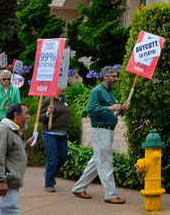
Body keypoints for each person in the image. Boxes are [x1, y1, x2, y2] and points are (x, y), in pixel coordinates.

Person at [71, 66, 129, 204]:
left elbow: (112, 112)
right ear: (105, 76)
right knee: (105, 163)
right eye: (113, 76)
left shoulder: (110, 92)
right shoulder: (96, 91)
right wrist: (111, 107)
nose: (116, 79)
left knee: (97, 161)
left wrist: (122, 110)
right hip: (100, 130)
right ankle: (110, 194)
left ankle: (79, 187)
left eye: (116, 76)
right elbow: (90, 109)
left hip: (108, 130)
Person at [39, 85, 71, 192]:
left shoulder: (65, 101)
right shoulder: (48, 101)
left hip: (63, 133)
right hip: (50, 133)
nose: (63, 88)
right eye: (60, 86)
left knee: (63, 157)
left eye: (63, 86)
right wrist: (47, 113)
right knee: (52, 158)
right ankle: (48, 184)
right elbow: (39, 118)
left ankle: (50, 173)